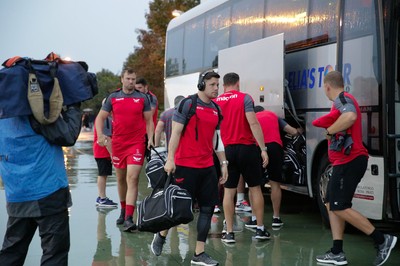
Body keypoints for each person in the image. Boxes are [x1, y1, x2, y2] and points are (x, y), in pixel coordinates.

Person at [314, 71, 397, 266]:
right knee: (332, 203)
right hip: (345, 162)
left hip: (349, 161)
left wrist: (329, 130)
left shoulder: (342, 98)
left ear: (327, 86)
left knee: (339, 206)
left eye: (324, 89)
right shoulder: (344, 99)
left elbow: (350, 116)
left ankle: (382, 239)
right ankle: (337, 252)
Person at [150, 70, 228, 266]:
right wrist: (170, 159)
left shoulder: (216, 109)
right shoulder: (188, 104)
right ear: (202, 85)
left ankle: (199, 254)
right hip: (185, 165)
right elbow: (175, 133)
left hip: (207, 166)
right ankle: (161, 234)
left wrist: (224, 164)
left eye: (217, 85)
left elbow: (216, 140)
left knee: (208, 208)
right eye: (212, 85)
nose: (216, 89)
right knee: (180, 210)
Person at [0, 114, 73, 265]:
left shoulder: (4, 108)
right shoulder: (38, 107)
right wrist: (74, 108)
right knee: (54, 254)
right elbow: (68, 136)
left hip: (17, 190)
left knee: (12, 250)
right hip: (48, 188)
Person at [95, 67, 154, 232]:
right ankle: (122, 210)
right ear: (122, 79)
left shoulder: (142, 98)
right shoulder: (113, 97)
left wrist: (150, 138)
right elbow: (100, 118)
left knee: (132, 178)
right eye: (128, 79)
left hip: (136, 144)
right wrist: (100, 135)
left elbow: (149, 121)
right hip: (118, 144)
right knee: (121, 179)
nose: (131, 82)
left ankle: (129, 217)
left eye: (133, 79)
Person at [215, 72, 269, 244]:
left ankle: (229, 232)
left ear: (224, 86)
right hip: (247, 149)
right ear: (238, 84)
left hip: (226, 150)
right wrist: (263, 149)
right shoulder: (245, 98)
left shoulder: (216, 102)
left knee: (229, 191)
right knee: (255, 188)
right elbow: (253, 122)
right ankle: (260, 229)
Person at [251, 105, 302, 229]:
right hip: (275, 148)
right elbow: (292, 131)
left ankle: (254, 219)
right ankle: (276, 218)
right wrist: (300, 130)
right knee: (275, 184)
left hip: (257, 148)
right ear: (264, 110)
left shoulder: (251, 117)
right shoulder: (273, 115)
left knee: (254, 186)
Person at [93, 98, 117, 208]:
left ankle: (102, 197)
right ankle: (102, 198)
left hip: (102, 151)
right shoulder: (105, 119)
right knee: (102, 174)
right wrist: (112, 154)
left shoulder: (105, 118)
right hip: (103, 151)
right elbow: (106, 138)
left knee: (104, 174)